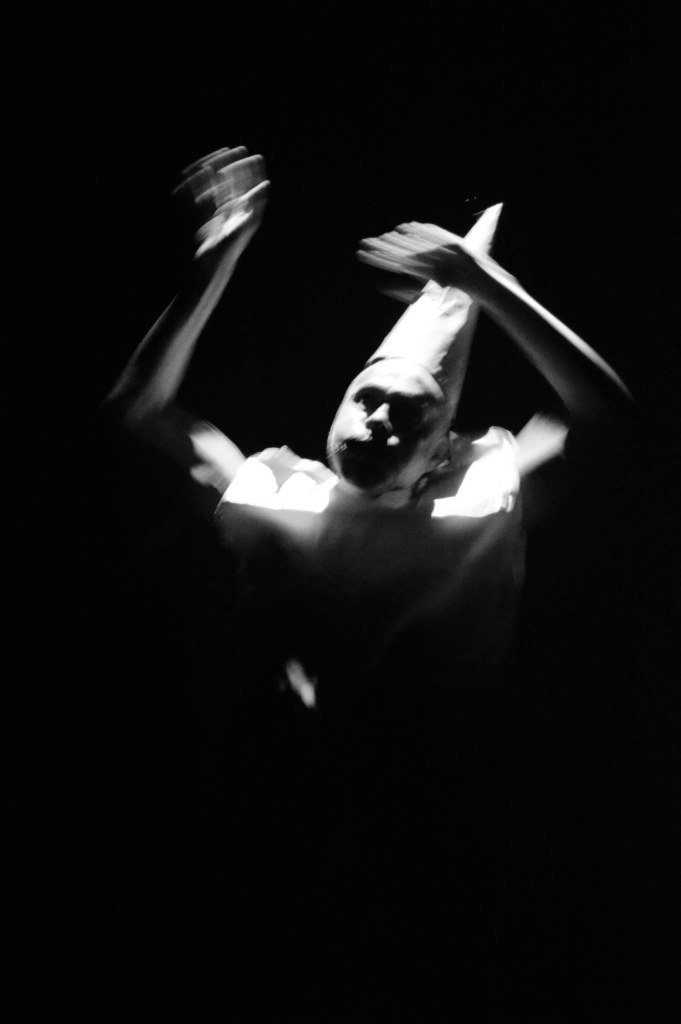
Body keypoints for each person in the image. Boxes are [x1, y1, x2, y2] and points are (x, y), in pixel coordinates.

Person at [100, 144, 633, 1020]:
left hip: (438, 834)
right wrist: (211, 267)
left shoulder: (479, 500)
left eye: (409, 412)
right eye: (366, 398)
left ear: (441, 453)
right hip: (278, 826)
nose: (378, 418)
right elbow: (139, 413)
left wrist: (486, 285)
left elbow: (606, 416)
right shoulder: (275, 492)